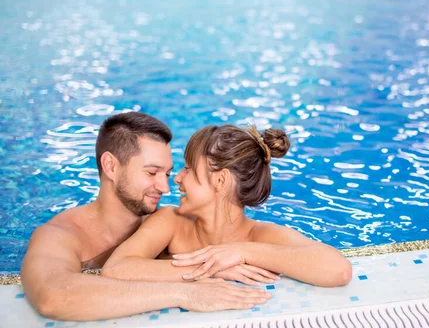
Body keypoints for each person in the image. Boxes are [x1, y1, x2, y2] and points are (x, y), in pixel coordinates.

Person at [21, 112, 271, 321]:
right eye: (152, 172)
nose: (165, 187)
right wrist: (186, 293)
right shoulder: (60, 236)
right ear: (111, 166)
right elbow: (53, 296)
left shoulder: (169, 226)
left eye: (167, 173)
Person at [101, 125, 352, 287]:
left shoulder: (259, 236)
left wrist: (243, 252)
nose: (176, 178)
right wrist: (210, 269)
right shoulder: (172, 221)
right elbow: (116, 269)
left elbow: (338, 270)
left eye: (188, 169)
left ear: (220, 180)